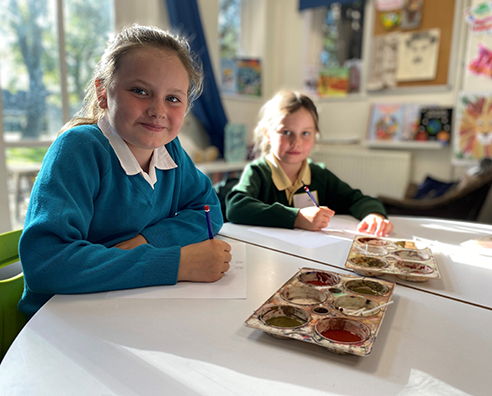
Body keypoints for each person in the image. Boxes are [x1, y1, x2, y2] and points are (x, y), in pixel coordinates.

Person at [18, 24, 231, 318]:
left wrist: (149, 241)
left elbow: (209, 210)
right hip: (62, 321)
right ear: (103, 93)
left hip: (132, 308)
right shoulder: (79, 150)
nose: (158, 110)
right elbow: (46, 263)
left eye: (173, 98)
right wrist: (176, 263)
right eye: (140, 91)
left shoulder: (170, 150)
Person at [226, 90, 393, 235]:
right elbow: (236, 206)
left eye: (305, 133)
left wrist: (373, 215)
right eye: (286, 132)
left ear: (315, 135)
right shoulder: (258, 172)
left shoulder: (320, 175)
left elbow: (357, 199)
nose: (296, 142)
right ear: (268, 134)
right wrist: (297, 217)